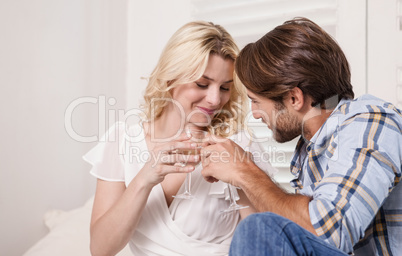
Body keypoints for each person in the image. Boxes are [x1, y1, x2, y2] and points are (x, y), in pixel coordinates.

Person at [200, 17, 402, 256]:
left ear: (294, 98)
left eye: (255, 101)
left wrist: (244, 171)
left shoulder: (372, 121)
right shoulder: (309, 150)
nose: (254, 114)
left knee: (258, 228)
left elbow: (327, 234)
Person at [83, 21, 277, 256]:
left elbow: (264, 247)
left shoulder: (239, 145)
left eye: (225, 88)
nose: (215, 100)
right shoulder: (121, 141)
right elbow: (100, 249)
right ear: (170, 78)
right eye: (202, 84)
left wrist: (243, 176)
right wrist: (145, 178)